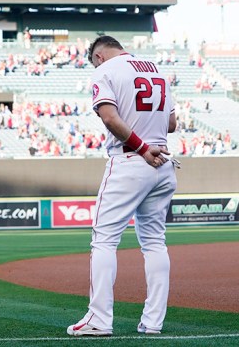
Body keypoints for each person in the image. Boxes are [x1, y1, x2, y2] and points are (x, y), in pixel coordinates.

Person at [67, 36, 178, 337]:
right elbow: (171, 124)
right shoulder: (156, 69)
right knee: (155, 242)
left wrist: (141, 148)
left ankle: (99, 320)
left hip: (132, 159)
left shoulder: (105, 70)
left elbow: (109, 117)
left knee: (104, 240)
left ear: (99, 56)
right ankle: (153, 322)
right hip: (164, 162)